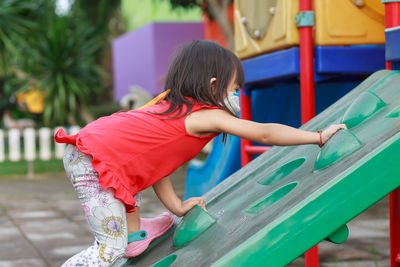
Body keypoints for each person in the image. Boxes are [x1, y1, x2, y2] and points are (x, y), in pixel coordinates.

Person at [55, 40, 347, 266]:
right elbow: (264, 132)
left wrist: (177, 207)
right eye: (234, 89)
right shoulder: (203, 115)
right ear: (213, 86)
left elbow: (156, 166)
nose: (237, 97)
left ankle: (134, 235)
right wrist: (317, 137)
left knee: (131, 183)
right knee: (110, 249)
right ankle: (119, 241)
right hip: (91, 158)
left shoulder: (171, 110)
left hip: (100, 151)